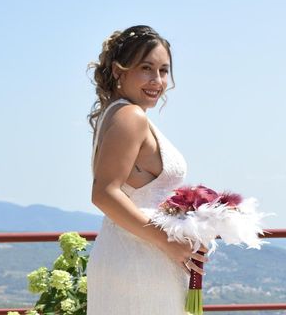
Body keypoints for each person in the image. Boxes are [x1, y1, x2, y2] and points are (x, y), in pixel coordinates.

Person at [86, 25, 208, 315]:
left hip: (133, 256)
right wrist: (168, 242)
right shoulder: (130, 116)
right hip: (139, 262)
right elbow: (104, 194)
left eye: (164, 71)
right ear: (119, 71)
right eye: (146, 68)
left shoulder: (118, 113)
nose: (157, 80)